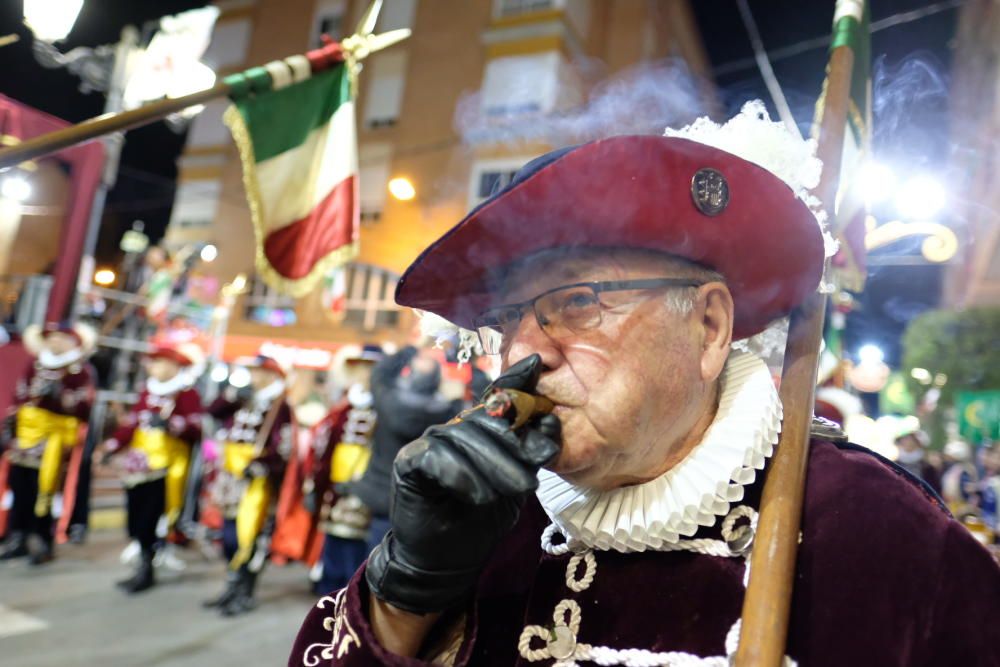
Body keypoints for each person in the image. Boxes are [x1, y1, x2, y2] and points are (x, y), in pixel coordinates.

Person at [289, 104, 1000, 666]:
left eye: (577, 301)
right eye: (505, 321)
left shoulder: (873, 526)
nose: (524, 354)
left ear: (711, 327)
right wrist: (404, 591)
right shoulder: (487, 520)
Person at [101, 342, 204, 593]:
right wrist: (112, 445)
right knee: (135, 515)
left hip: (167, 466)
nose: (154, 367)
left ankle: (147, 567)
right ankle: (142, 561)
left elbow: (196, 428)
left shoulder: (186, 394)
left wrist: (171, 425)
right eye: (153, 362)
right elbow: (133, 423)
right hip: (140, 464)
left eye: (159, 362)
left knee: (152, 517)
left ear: (173, 366)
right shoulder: (148, 391)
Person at [349, 345, 465, 556]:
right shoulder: (446, 412)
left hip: (380, 492)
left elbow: (380, 374)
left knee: (372, 555)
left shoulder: (389, 400)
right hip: (419, 499)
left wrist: (409, 350)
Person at [202, 355, 293, 616]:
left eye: (259, 371)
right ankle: (231, 585)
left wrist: (264, 465)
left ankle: (245, 591)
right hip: (232, 477)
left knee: (250, 536)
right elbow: (212, 411)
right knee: (229, 535)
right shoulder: (243, 398)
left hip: (257, 480)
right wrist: (231, 393)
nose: (254, 376)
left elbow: (283, 447)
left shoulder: (279, 406)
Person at [0, 322, 96, 564]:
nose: (54, 342)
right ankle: (17, 536)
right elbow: (21, 395)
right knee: (19, 488)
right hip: (25, 438)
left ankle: (44, 540)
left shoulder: (79, 372)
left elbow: (83, 407)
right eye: (51, 337)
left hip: (54, 444)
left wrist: (60, 398)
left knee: (45, 491)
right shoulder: (36, 365)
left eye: (60, 338)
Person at [310, 344, 382, 594]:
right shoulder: (343, 406)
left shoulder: (385, 406)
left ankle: (349, 596)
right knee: (333, 538)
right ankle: (328, 592)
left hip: (366, 485)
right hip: (336, 483)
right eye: (361, 367)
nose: (365, 373)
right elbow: (327, 448)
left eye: (371, 368)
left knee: (356, 544)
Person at [894, 427, 941, 494]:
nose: (907, 442)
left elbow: (935, 492)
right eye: (904, 440)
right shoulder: (894, 465)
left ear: (918, 444)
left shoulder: (927, 467)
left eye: (911, 440)